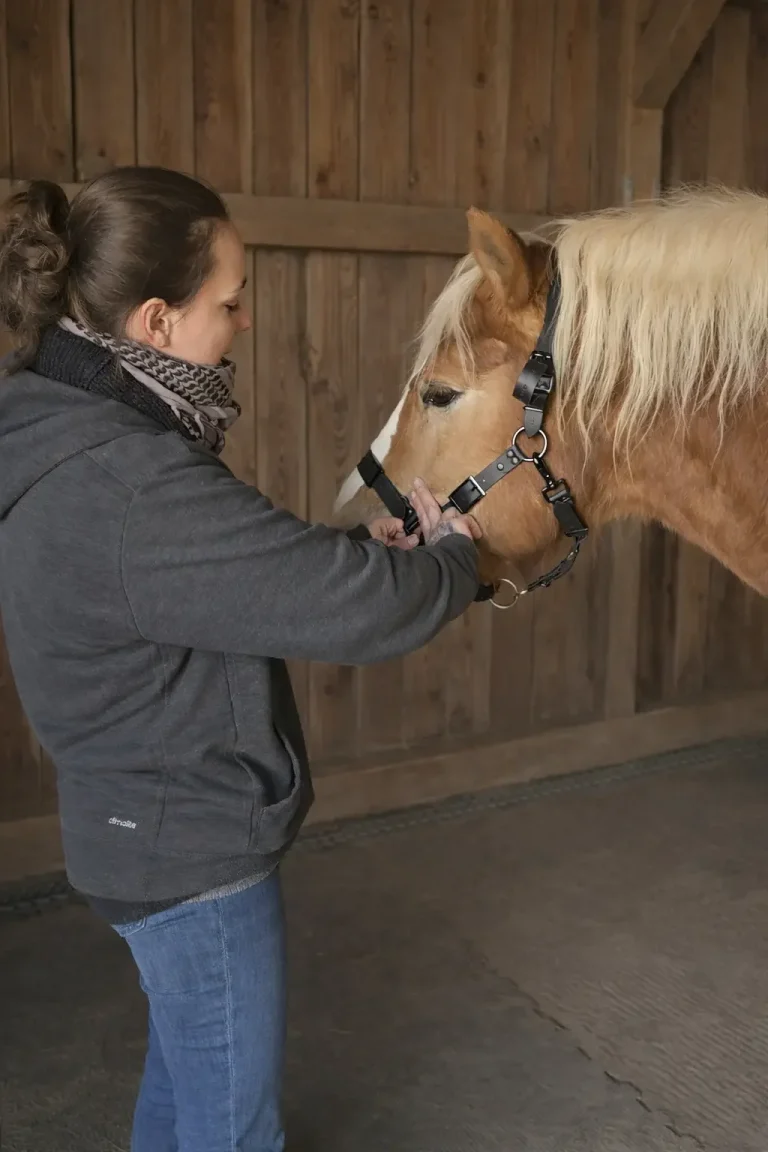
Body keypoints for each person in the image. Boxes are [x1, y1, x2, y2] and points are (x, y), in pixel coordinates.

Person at [0, 167, 482, 1152]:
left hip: (139, 827)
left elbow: (238, 570)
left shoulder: (74, 427)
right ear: (157, 323)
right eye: (231, 300)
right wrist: (459, 559)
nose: (246, 321)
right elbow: (356, 612)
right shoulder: (127, 480)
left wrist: (360, 551)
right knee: (234, 1130)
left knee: (184, 1087)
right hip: (187, 854)